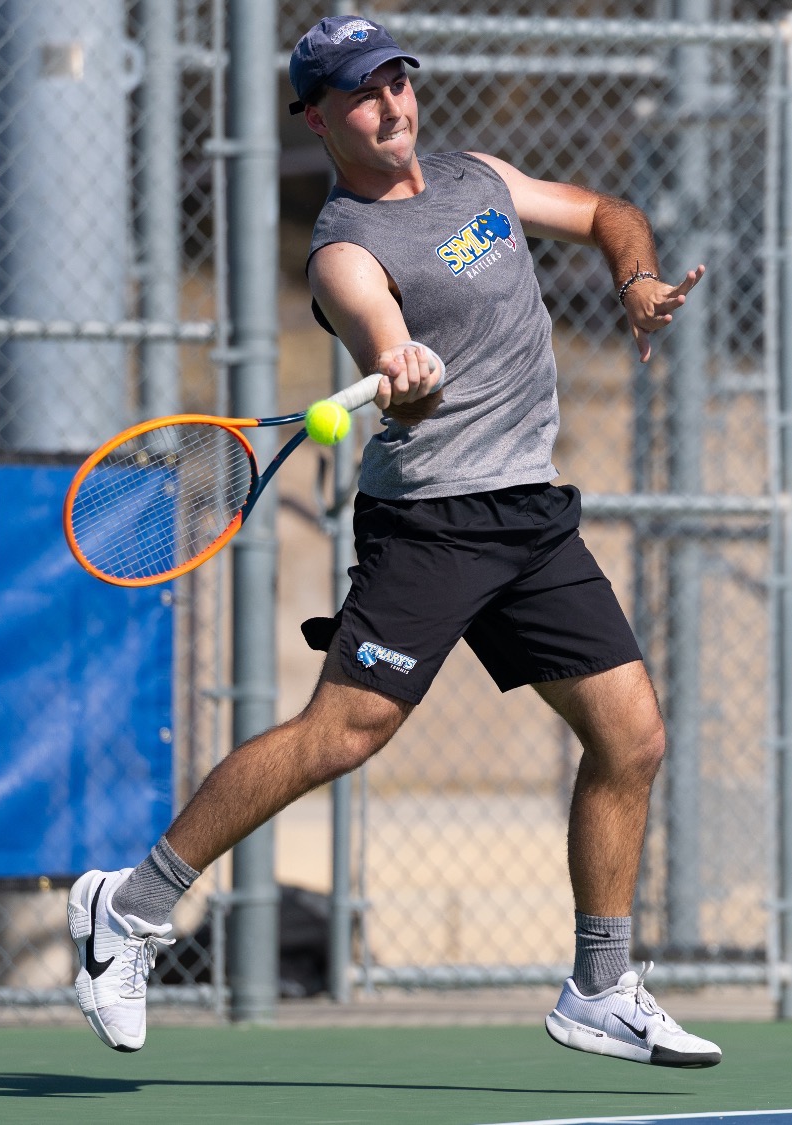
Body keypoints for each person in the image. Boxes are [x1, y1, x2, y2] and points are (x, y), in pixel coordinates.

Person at [66, 15, 722, 1068]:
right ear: (319, 118)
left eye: (398, 82)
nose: (392, 105)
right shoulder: (344, 251)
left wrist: (634, 281)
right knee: (343, 735)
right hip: (432, 523)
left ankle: (599, 988)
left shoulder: (477, 178)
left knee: (631, 736)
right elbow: (384, 351)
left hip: (529, 513)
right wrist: (404, 379)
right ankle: (128, 907)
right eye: (363, 94)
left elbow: (607, 212)